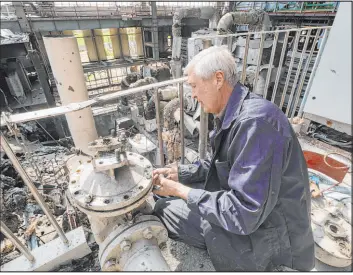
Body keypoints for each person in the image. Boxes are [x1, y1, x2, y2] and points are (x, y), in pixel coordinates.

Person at [152, 46, 315, 271]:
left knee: (164, 208)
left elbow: (244, 213)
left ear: (218, 79)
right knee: (173, 202)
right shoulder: (238, 112)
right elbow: (221, 161)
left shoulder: (256, 124)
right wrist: (181, 173)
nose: (193, 95)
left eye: (194, 86)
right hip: (260, 219)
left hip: (268, 237)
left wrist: (180, 190)